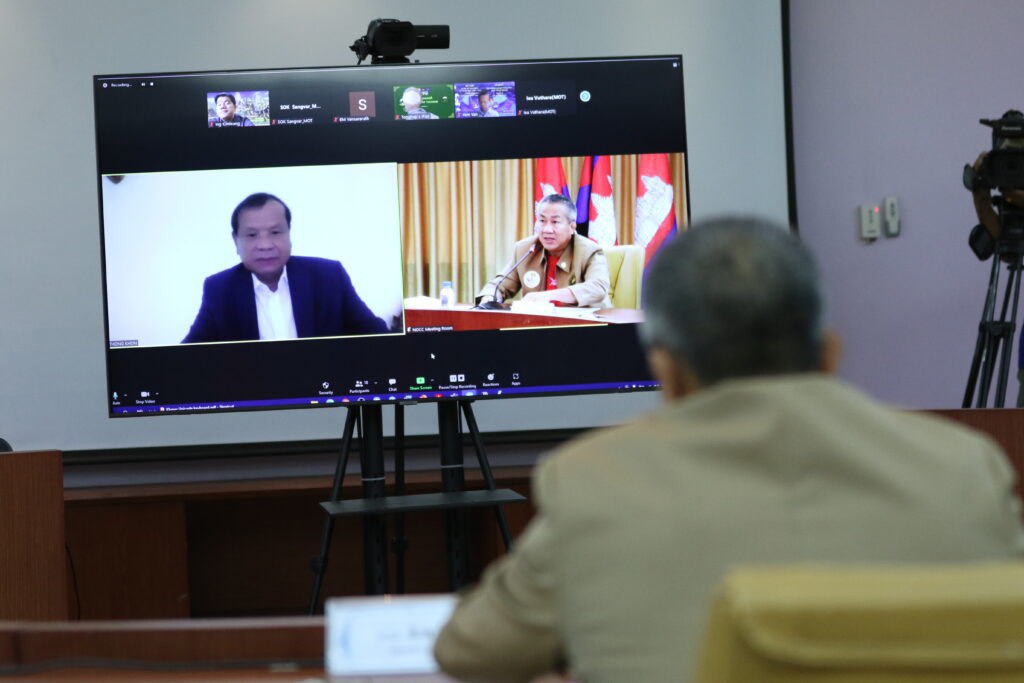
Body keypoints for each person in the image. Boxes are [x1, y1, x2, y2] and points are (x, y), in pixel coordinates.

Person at [435, 217, 1024, 682]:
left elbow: (469, 650)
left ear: (667, 371)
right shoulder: (964, 468)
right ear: (829, 352)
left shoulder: (594, 479)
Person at [182, 192, 389, 343]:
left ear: (289, 234)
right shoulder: (219, 289)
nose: (265, 245)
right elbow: (189, 353)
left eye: (275, 232)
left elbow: (376, 334)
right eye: (252, 235)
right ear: (236, 241)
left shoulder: (329, 276)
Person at [476, 194, 610, 308]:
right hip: (538, 324)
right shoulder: (525, 249)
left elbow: (598, 287)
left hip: (585, 324)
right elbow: (499, 285)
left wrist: (547, 296)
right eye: (542, 220)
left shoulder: (589, 251)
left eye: (555, 222)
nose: (547, 229)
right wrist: (489, 297)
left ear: (572, 227)